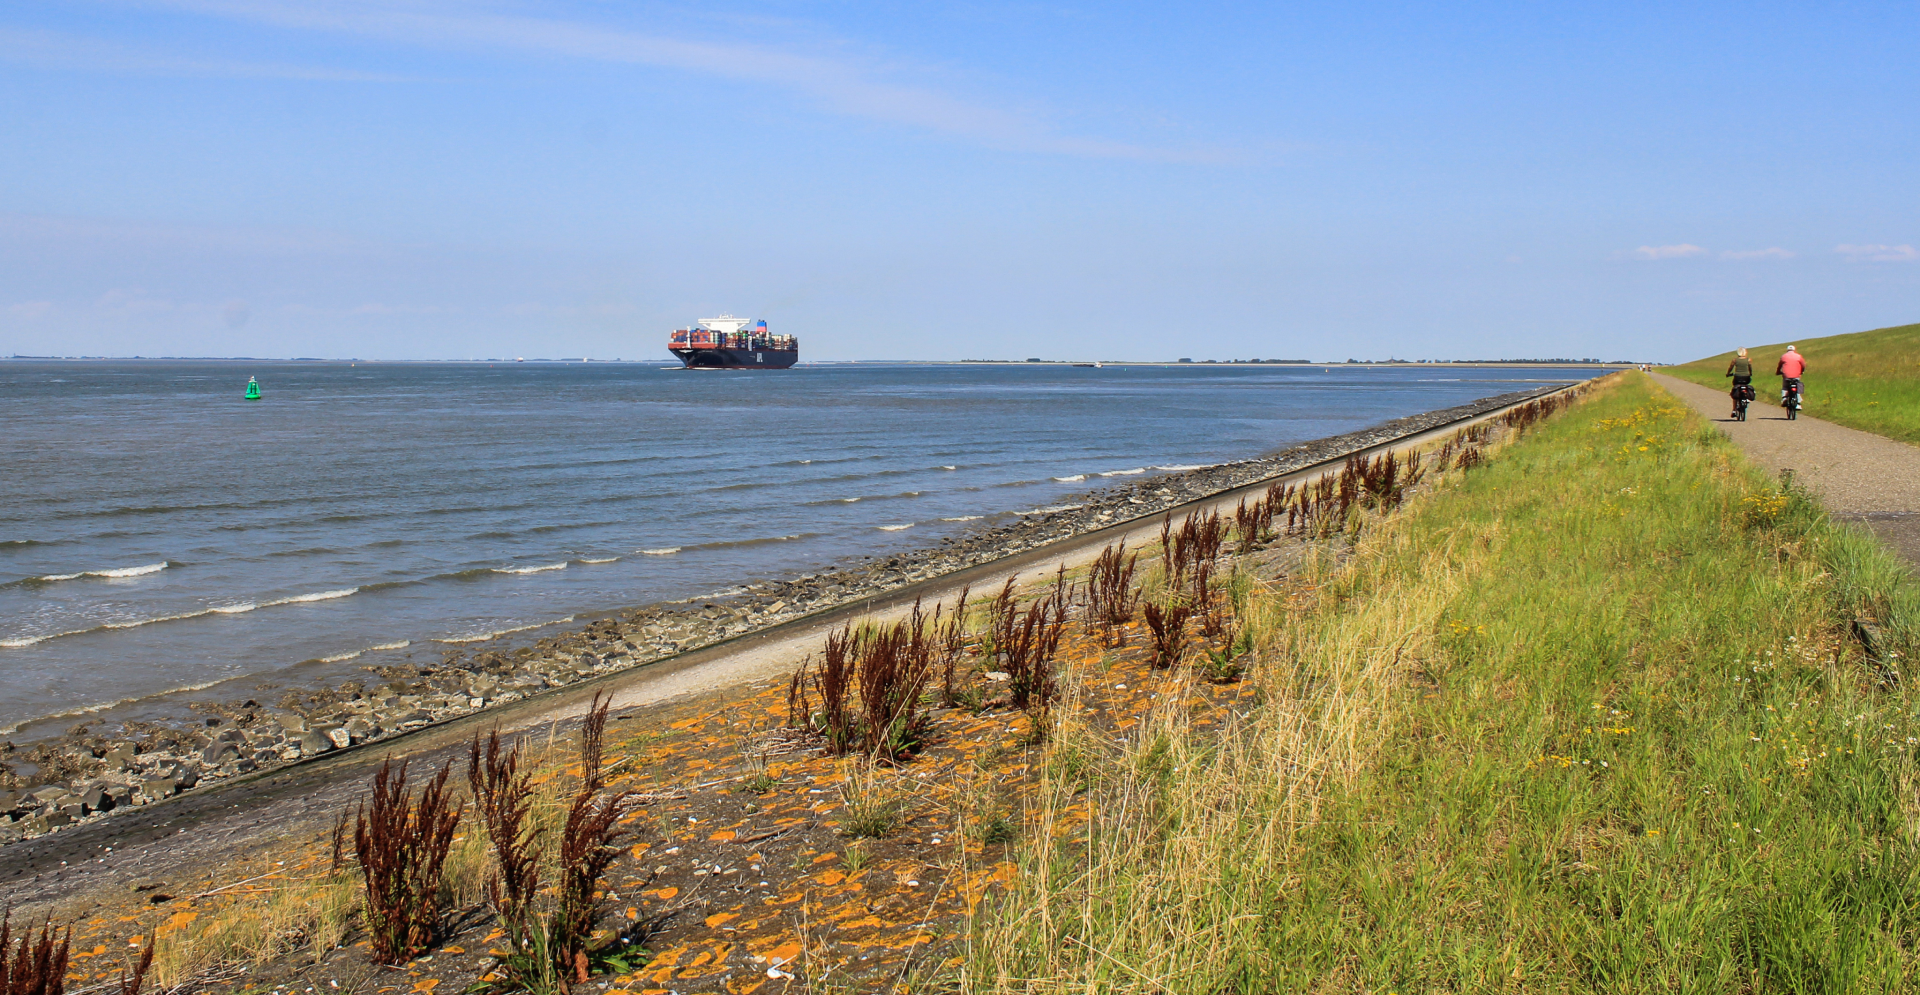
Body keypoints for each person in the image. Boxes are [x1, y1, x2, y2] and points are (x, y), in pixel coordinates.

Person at [1725, 348, 1753, 418]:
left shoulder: (1735, 360)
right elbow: (1750, 368)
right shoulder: (1749, 360)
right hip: (1746, 377)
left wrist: (1728, 374)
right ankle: (1746, 397)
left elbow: (1730, 367)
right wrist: (1750, 373)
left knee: (1735, 390)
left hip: (1737, 378)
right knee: (1746, 385)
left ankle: (1734, 409)